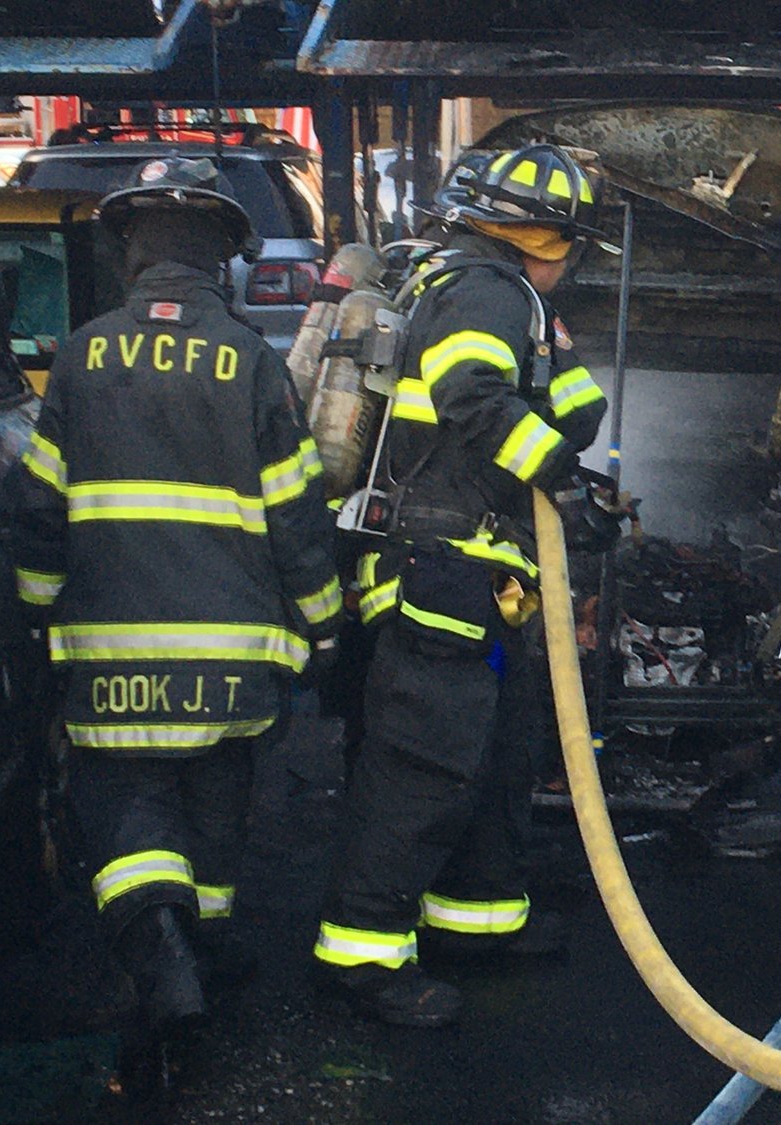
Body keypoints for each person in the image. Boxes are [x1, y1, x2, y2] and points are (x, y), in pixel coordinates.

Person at [6, 158, 341, 1045]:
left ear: (132, 250)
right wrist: (325, 624)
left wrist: (38, 612)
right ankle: (205, 944)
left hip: (109, 657)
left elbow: (39, 509)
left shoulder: (80, 357)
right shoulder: (252, 362)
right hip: (231, 664)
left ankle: (158, 942)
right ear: (221, 259)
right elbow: (298, 515)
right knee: (216, 805)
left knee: (128, 803)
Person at [313, 142, 612, 1027]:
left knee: (495, 752)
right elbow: (475, 397)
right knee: (424, 763)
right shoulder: (485, 291)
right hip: (440, 568)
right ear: (549, 241)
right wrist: (554, 467)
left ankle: (475, 921)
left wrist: (561, 404)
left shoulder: (497, 293)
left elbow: (578, 405)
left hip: (476, 573)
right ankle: (361, 955)